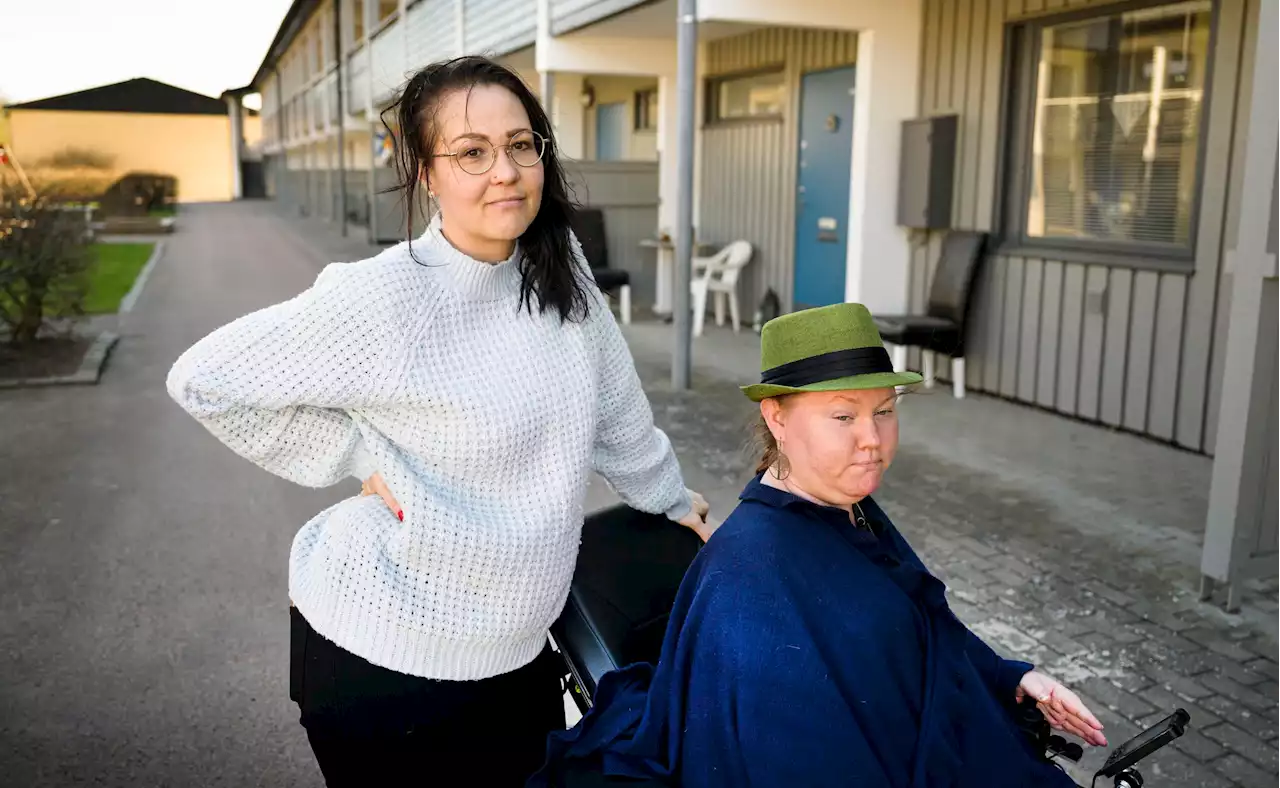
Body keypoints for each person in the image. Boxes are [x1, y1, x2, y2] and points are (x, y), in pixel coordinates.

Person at [166, 55, 709, 787]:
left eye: (522, 145)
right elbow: (204, 380)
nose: (506, 172)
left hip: (517, 656)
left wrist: (675, 503)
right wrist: (361, 456)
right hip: (380, 666)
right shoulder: (385, 300)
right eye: (472, 153)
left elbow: (618, 414)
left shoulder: (561, 266)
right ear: (426, 172)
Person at [530, 302, 1106, 788]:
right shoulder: (755, 580)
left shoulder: (845, 506)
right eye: (842, 415)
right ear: (776, 418)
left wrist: (1011, 678)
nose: (871, 441)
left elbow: (923, 619)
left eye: (884, 412)